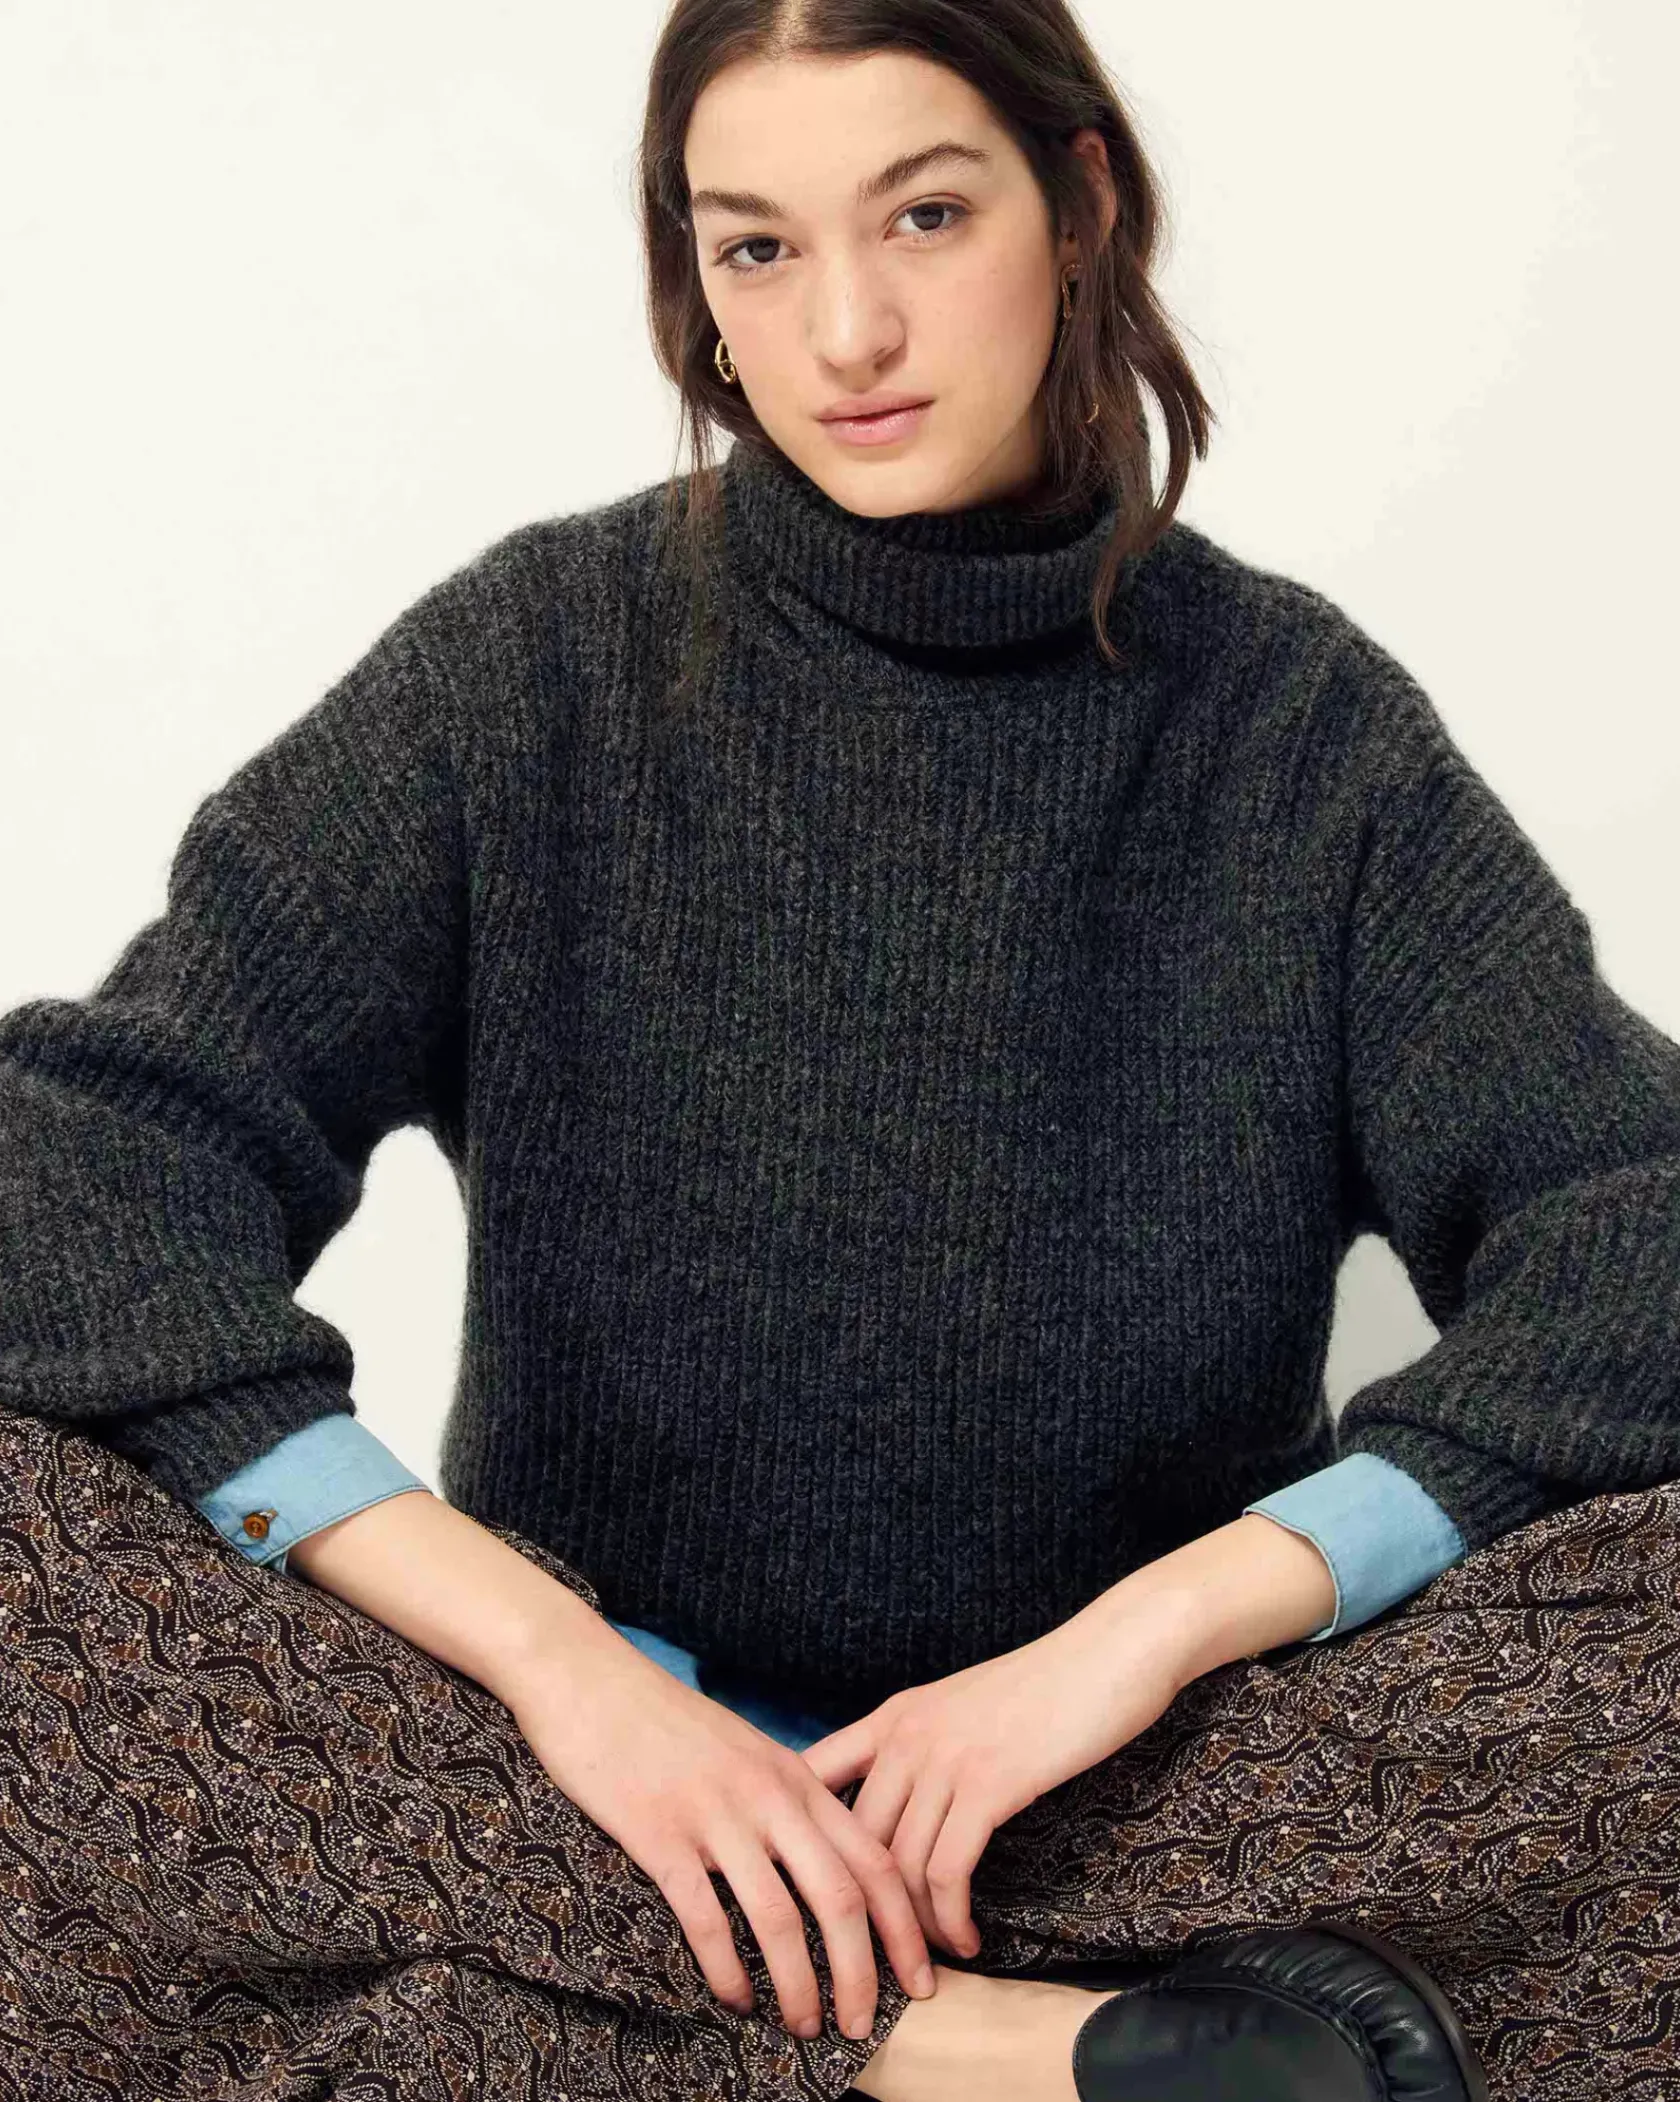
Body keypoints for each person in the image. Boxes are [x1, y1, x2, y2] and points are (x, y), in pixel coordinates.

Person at [2, 5, 1677, 2100]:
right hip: (582, 1794)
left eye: (927, 215)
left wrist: (1142, 1638)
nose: (848, 330)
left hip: (1136, 1808)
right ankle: (979, 2051)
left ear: (1080, 205)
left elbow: (1638, 1236)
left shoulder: (1300, 737)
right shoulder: (534, 669)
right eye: (758, 247)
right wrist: (564, 1669)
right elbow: (68, 1168)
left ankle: (582, 2033)